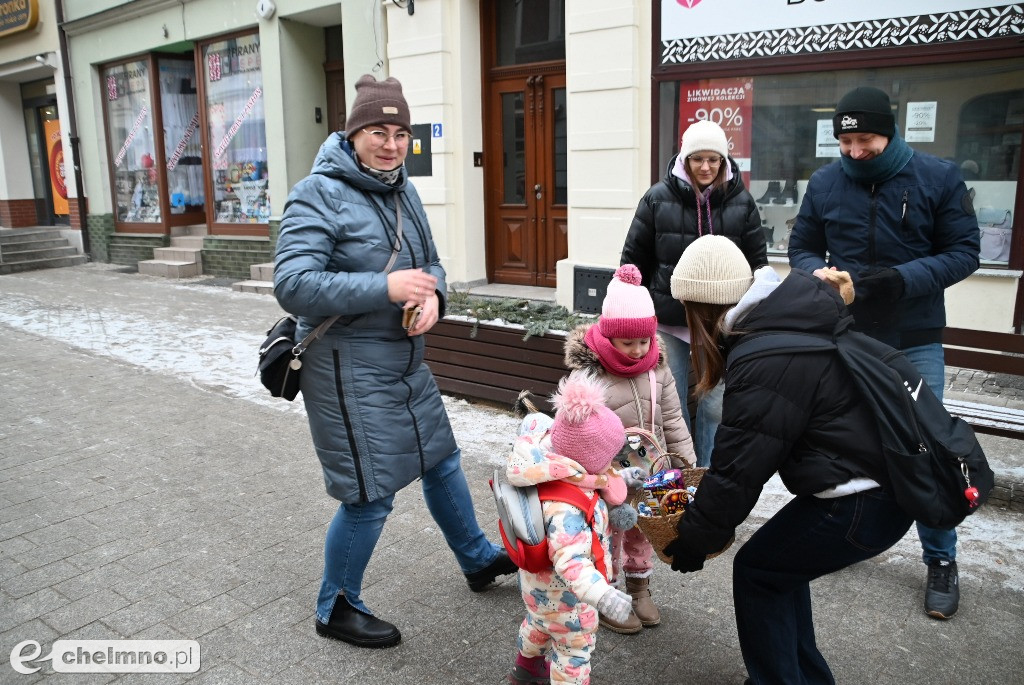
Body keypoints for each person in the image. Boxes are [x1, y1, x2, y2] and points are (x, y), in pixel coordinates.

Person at [274, 73, 516, 649]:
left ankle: (478, 558)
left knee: (442, 459)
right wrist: (383, 289)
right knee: (369, 494)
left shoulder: (403, 190)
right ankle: (335, 607)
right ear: (353, 133)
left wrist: (433, 298)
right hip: (345, 369)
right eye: (377, 131)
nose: (389, 143)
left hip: (405, 359)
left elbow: (431, 266)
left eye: (400, 132)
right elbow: (293, 284)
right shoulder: (317, 192)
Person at [663, 235, 915, 685]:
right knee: (779, 570)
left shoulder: (765, 355)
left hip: (863, 500)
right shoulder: (781, 322)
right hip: (877, 490)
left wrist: (694, 539)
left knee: (759, 571)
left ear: (703, 308)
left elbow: (740, 471)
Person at [788, 86, 980, 620]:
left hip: (915, 337)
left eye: (864, 139)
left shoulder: (937, 177)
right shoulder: (825, 182)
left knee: (929, 449)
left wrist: (899, 280)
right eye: (845, 141)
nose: (853, 152)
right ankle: (846, 538)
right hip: (849, 338)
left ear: (888, 132)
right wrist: (814, 273)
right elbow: (802, 245)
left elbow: (965, 253)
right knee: (847, 445)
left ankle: (941, 560)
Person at [621, 119, 766, 468]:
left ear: (724, 162)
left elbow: (757, 262)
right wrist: (632, 311)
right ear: (685, 159)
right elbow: (633, 262)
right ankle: (681, 477)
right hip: (670, 320)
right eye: (697, 159)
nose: (705, 167)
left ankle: (707, 476)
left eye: (713, 160)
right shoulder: (657, 198)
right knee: (671, 406)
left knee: (715, 405)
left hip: (721, 322)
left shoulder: (742, 202)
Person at [563, 263, 696, 633]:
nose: (639, 350)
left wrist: (685, 462)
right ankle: (608, 594)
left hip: (650, 472)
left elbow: (672, 418)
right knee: (607, 535)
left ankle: (639, 588)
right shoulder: (590, 374)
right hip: (606, 476)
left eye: (645, 341)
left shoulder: (658, 368)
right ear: (608, 336)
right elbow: (575, 433)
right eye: (629, 342)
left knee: (641, 531)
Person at [506, 371, 633, 685]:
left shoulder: (549, 467)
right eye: (609, 459)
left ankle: (525, 670)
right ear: (588, 460)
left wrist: (621, 482)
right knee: (574, 650)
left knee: (538, 625)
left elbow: (595, 489)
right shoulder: (568, 508)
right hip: (570, 598)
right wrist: (602, 596)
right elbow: (571, 561)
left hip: (537, 588)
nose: (613, 465)